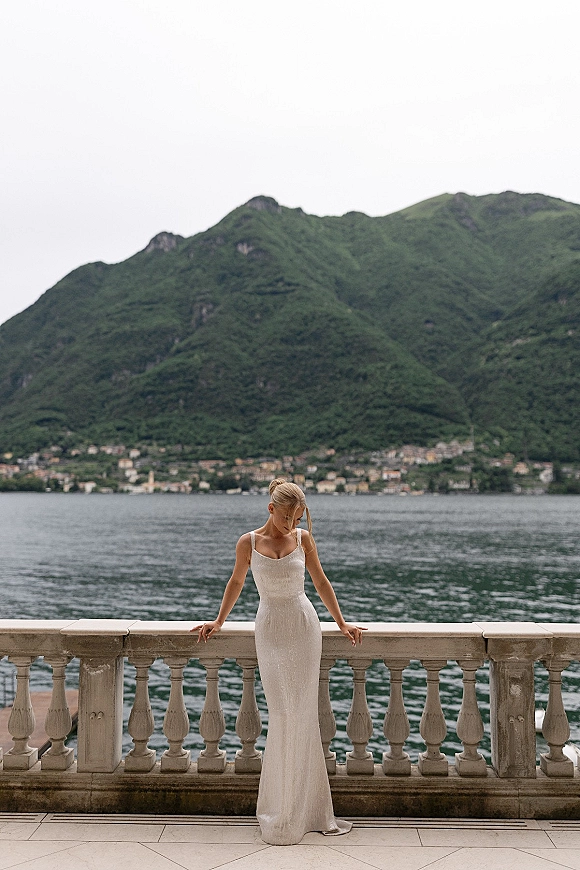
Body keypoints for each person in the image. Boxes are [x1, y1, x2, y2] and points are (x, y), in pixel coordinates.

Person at [194, 478, 366, 846]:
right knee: (282, 714)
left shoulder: (304, 540)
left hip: (304, 627)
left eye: (298, 517)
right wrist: (218, 621)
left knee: (302, 715)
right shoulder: (249, 542)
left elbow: (320, 582)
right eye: (287, 516)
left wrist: (341, 622)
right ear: (271, 509)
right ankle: (281, 809)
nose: (292, 524)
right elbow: (236, 582)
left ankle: (307, 811)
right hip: (270, 628)